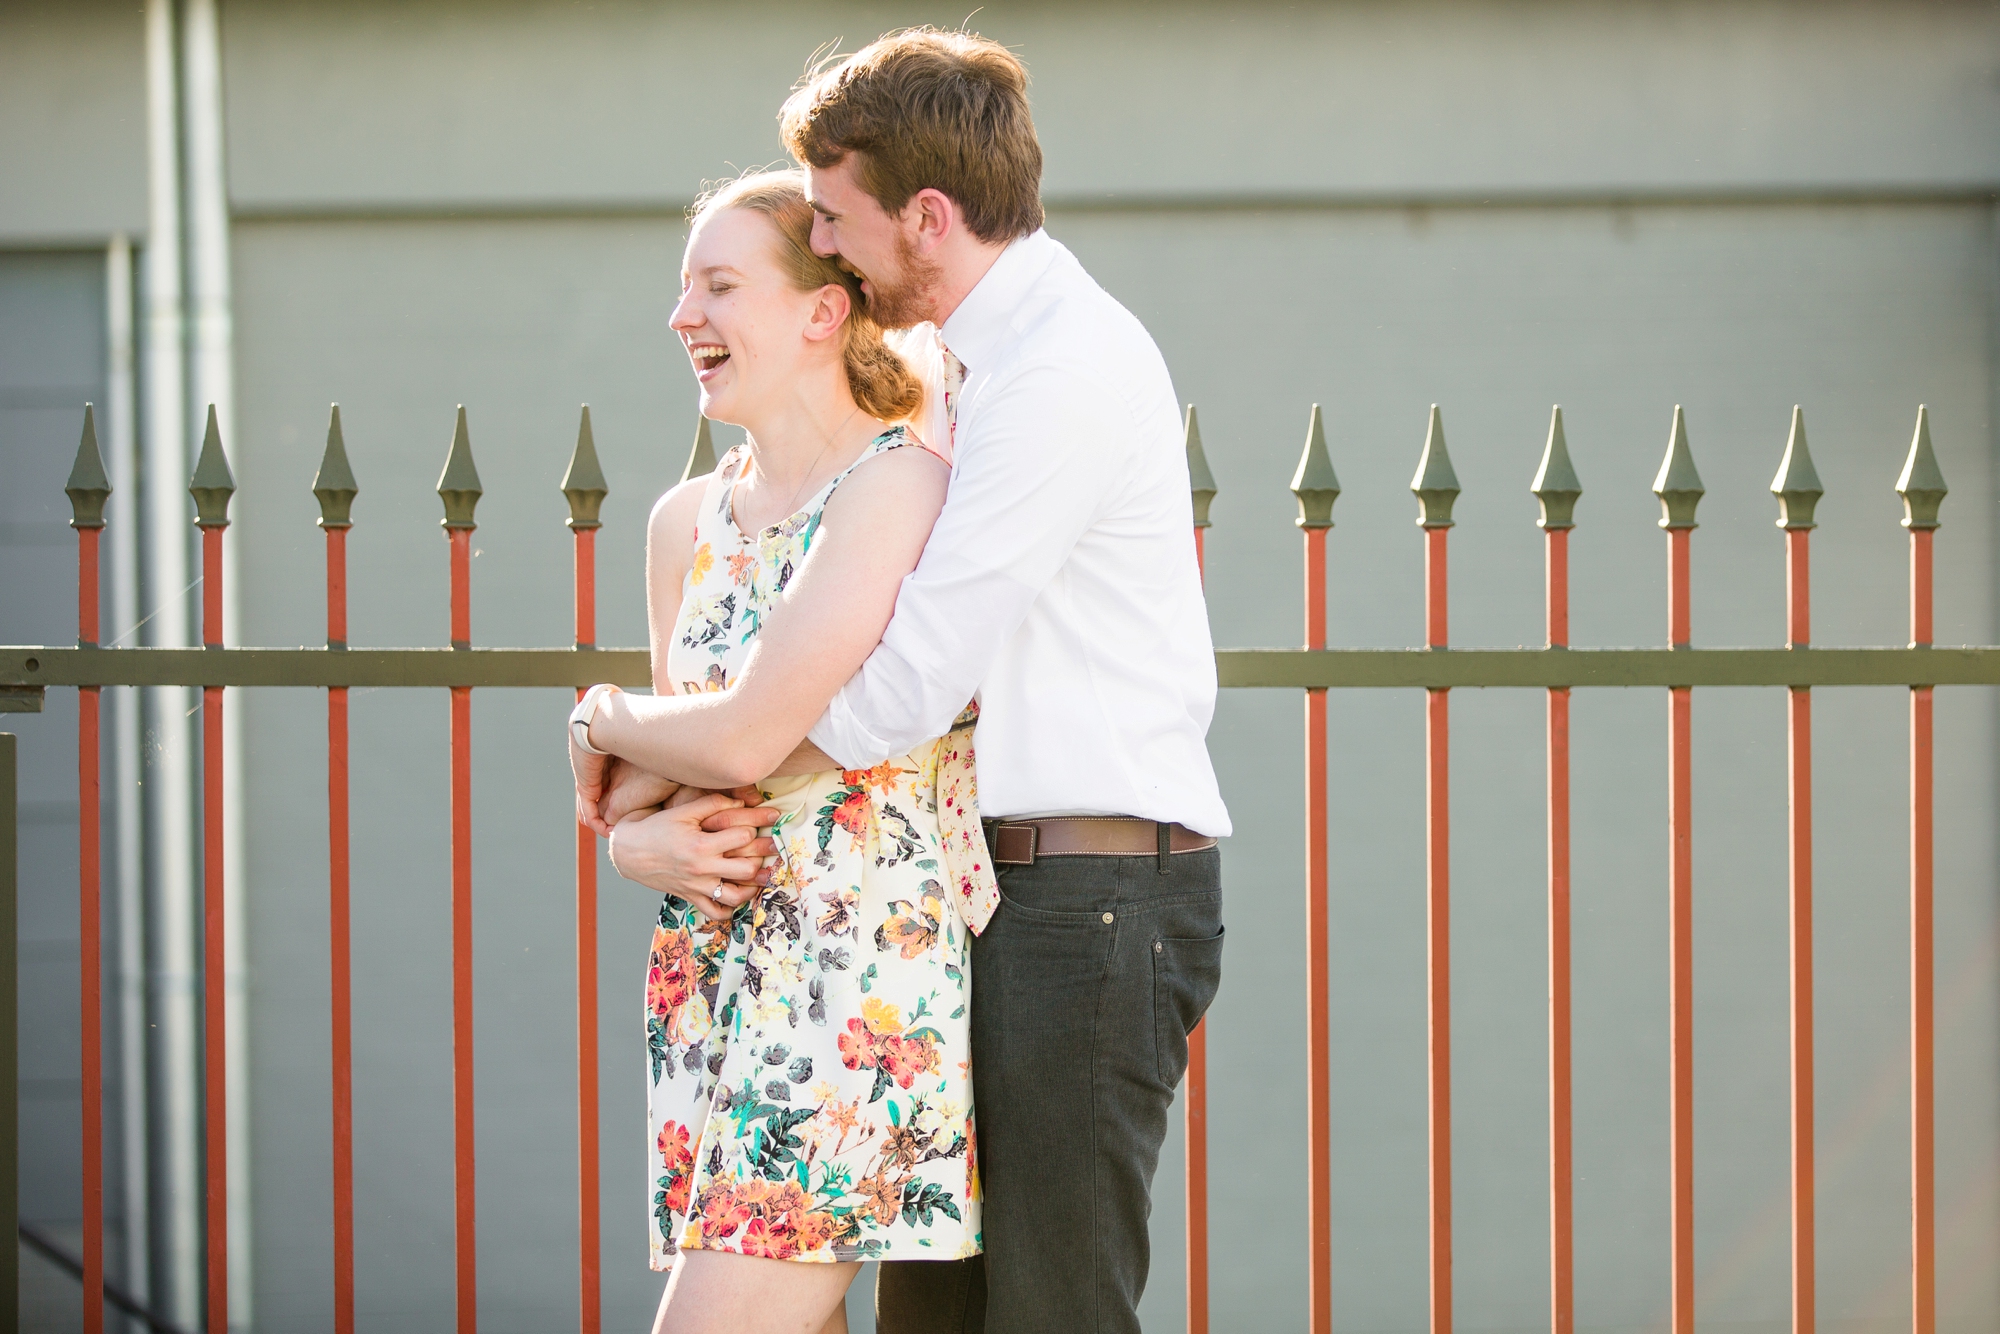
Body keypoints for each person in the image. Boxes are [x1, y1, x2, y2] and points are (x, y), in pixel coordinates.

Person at [578, 28, 1230, 1334]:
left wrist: (627, 737)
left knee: (1050, 1310)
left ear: (926, 218)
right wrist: (643, 819)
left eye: (835, 217)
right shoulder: (954, 372)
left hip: (1087, 901)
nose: (825, 246)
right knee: (938, 1321)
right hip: (965, 903)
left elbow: (891, 698)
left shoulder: (1060, 371)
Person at [576, 169, 993, 1334]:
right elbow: (672, 778)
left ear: (822, 312)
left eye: (718, 285)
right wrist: (634, 846)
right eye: (680, 289)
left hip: (852, 981)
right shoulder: (678, 525)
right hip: (712, 979)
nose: (683, 316)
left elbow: (745, 731)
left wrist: (591, 713)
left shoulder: (899, 485)